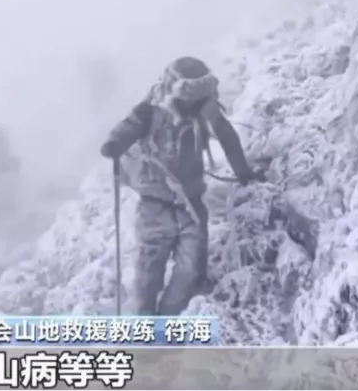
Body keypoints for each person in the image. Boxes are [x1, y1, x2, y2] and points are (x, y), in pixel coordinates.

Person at [100, 56, 263, 315]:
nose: (193, 103)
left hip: (191, 205)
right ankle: (143, 326)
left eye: (199, 97)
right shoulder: (150, 111)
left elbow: (227, 138)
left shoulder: (204, 111)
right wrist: (115, 143)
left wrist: (244, 173)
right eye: (189, 96)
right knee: (148, 276)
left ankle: (168, 318)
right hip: (153, 206)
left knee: (191, 269)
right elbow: (127, 129)